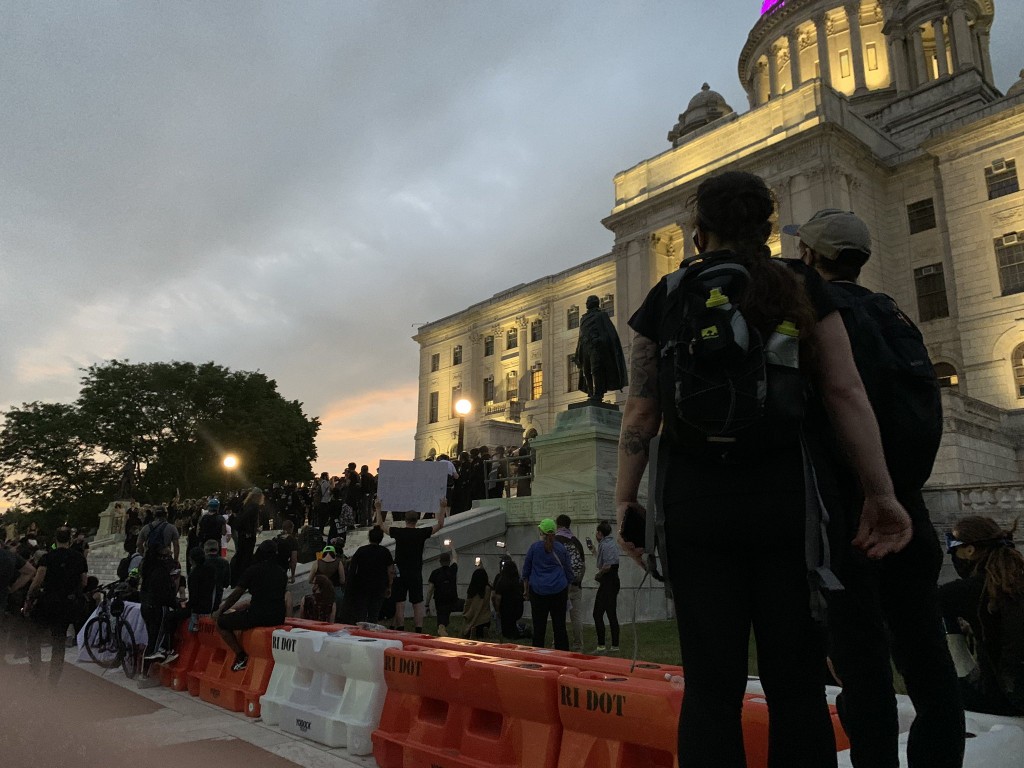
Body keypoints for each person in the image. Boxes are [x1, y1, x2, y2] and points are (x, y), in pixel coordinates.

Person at [614, 170, 913, 768]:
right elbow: (844, 391)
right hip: (785, 507)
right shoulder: (796, 282)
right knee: (797, 687)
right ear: (769, 227)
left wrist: (626, 502)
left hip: (694, 508)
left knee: (709, 689)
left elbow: (642, 411)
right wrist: (881, 492)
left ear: (699, 233)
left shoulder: (669, 293)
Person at [790, 208, 965, 767]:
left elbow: (834, 402)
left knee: (862, 663)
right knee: (926, 654)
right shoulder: (895, 315)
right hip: (907, 504)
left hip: (852, 507)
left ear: (811, 258)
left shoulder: (824, 316)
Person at [939, 516, 1024, 716]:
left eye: (954, 550)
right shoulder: (1015, 583)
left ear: (969, 550)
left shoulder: (966, 591)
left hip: (1004, 699)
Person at [23, 526, 88, 684]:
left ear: (55, 539)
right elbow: (84, 581)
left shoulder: (47, 557)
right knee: (59, 642)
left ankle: (36, 670)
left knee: (34, 636)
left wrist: (29, 598)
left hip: (47, 601)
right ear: (70, 540)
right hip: (66, 602)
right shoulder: (79, 558)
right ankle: (54, 679)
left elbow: (38, 581)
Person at [214, 539, 289, 672]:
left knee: (222, 623)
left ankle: (241, 656)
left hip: (258, 616)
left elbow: (235, 595)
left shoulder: (253, 570)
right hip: (278, 616)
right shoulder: (281, 572)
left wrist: (221, 610)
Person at [376, 497, 447, 633]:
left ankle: (401, 628)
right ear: (418, 519)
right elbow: (440, 525)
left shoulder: (399, 532)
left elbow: (381, 526)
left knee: (400, 602)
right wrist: (442, 507)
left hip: (400, 572)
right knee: (417, 602)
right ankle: (418, 628)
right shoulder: (421, 533)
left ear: (404, 519)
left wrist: (378, 509)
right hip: (415, 572)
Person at [522, 518, 573, 650]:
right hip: (559, 591)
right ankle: (563, 655)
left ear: (541, 532)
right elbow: (568, 569)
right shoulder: (561, 548)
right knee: (560, 627)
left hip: (538, 592)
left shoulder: (534, 548)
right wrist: (568, 584)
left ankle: (537, 657)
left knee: (539, 628)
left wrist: (526, 590)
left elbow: (526, 571)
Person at [575, 294, 628, 403]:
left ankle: (598, 393)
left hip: (596, 347)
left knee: (596, 369)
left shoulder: (601, 315)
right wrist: (577, 353)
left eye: (588, 301)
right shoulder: (583, 319)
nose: (586, 303)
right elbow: (580, 337)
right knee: (586, 371)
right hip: (585, 347)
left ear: (594, 302)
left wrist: (599, 339)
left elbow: (609, 333)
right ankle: (591, 392)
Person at [339, 525, 394, 624]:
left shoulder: (361, 550)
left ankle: (361, 632)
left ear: (369, 537)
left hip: (362, 586)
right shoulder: (385, 552)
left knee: (361, 612)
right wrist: (389, 585)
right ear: (381, 538)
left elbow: (352, 568)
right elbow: (390, 570)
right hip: (379, 586)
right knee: (374, 613)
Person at [555, 514, 586, 651]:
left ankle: (557, 642)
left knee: (559, 615)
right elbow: (583, 564)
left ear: (558, 525)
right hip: (576, 583)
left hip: (561, 584)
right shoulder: (576, 541)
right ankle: (578, 644)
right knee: (576, 615)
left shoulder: (556, 541)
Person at [588, 520, 621, 653]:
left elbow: (607, 566)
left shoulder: (606, 545)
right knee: (611, 613)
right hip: (612, 582)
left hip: (608, 582)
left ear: (600, 533)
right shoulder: (610, 543)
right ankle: (614, 645)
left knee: (597, 614)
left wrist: (599, 574)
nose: (596, 534)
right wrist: (593, 551)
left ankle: (602, 645)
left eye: (597, 532)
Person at [425, 543, 460, 636]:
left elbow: (430, 590)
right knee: (449, 613)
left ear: (440, 561)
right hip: (452, 599)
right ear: (449, 561)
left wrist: (427, 604)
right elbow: (455, 558)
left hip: (439, 599)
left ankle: (441, 627)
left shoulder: (435, 573)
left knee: (441, 615)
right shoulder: (453, 570)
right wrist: (452, 546)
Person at [231, 487, 263, 585]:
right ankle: (244, 579)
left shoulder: (246, 504)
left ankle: (235, 578)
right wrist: (250, 531)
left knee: (240, 555)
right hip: (248, 535)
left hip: (242, 533)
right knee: (246, 556)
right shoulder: (254, 506)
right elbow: (248, 518)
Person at [492, 555, 525, 640]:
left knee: (505, 629)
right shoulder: (518, 581)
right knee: (512, 625)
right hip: (517, 608)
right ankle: (517, 632)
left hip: (505, 609)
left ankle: (509, 634)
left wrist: (497, 610)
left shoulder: (501, 581)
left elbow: (497, 598)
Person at [308, 545, 346, 615]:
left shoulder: (317, 563)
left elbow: (310, 580)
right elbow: (342, 580)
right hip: (336, 593)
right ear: (334, 554)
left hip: (321, 594)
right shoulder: (338, 563)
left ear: (323, 553)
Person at [462, 567, 492, 639]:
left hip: (472, 619)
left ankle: (473, 633)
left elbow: (467, 605)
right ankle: (484, 632)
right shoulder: (488, 589)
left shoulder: (472, 590)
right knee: (482, 630)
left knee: (467, 630)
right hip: (485, 620)